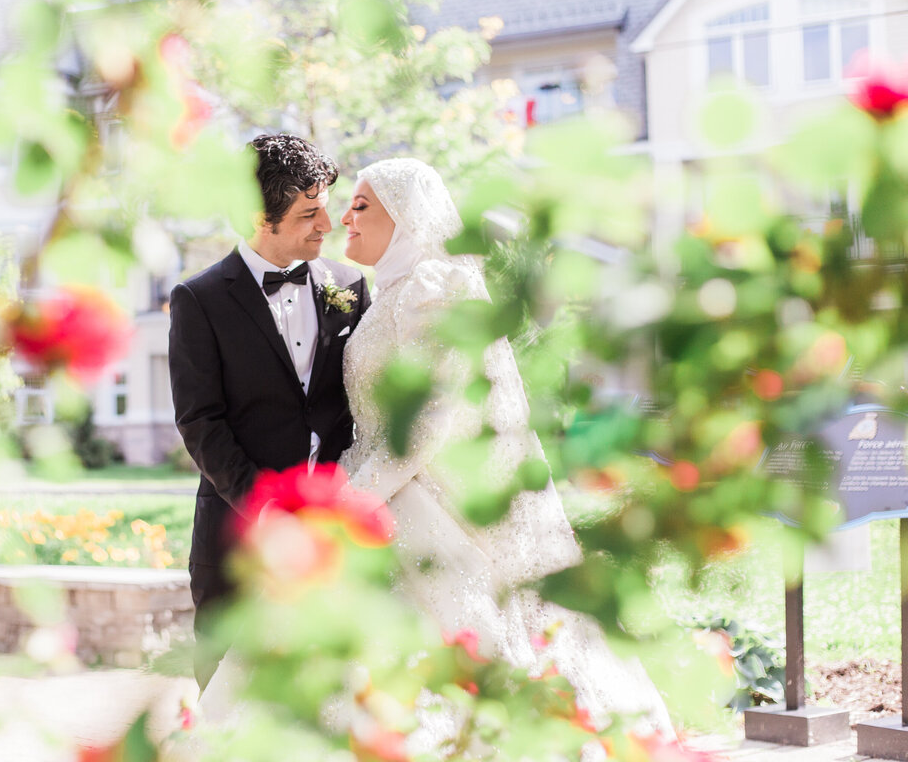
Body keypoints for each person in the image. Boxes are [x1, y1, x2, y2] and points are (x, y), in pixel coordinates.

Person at [338, 158, 673, 746]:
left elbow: (431, 419)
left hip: (421, 504)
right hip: (390, 495)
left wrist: (353, 498)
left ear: (407, 217)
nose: (346, 216)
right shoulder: (385, 295)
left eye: (362, 205)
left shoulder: (431, 288)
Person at [168, 134, 371, 693]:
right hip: (236, 531)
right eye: (309, 213)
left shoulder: (350, 287)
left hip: (332, 531)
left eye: (325, 207)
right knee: (225, 691)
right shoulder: (198, 299)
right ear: (262, 216)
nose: (326, 225)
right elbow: (199, 422)